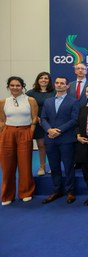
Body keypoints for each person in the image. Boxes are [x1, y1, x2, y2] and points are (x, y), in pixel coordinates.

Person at [41, 76, 79, 204]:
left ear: (67, 86)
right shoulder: (48, 101)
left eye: (62, 83)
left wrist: (58, 131)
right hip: (50, 139)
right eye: (57, 83)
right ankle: (56, 190)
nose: (59, 85)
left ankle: (70, 192)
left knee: (68, 167)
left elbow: (74, 120)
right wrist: (49, 130)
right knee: (54, 166)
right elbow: (43, 118)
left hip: (66, 139)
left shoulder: (74, 101)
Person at [0, 76, 38, 206]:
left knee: (25, 164)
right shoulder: (3, 102)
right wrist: (3, 134)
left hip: (25, 132)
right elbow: (2, 121)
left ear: (22, 87)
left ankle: (26, 192)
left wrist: (30, 132)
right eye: (12, 85)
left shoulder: (30, 100)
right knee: (7, 166)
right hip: (8, 133)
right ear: (8, 87)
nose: (15, 88)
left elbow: (34, 118)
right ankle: (7, 195)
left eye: (18, 85)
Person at [26, 71, 55, 176]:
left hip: (51, 123)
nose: (44, 80)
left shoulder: (54, 92)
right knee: (41, 145)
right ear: (38, 80)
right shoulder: (31, 93)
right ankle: (42, 166)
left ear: (49, 80)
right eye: (41, 78)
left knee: (52, 146)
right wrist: (35, 117)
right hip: (37, 122)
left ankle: (53, 166)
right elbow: (25, 107)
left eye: (46, 78)